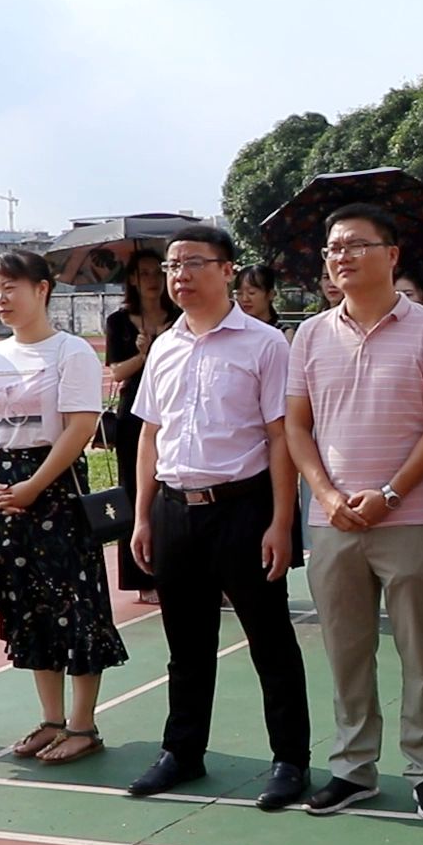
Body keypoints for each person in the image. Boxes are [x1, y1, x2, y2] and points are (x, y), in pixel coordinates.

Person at [286, 204, 423, 820]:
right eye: (334, 248)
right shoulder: (308, 335)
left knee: (420, 652)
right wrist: (330, 497)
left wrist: (388, 494)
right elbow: (297, 428)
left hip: (410, 518)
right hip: (331, 523)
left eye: (356, 245)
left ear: (391, 256)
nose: (341, 257)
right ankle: (353, 768)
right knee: (346, 651)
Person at [124, 225, 312, 811]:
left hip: (244, 510)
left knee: (269, 639)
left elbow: (280, 437)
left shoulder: (264, 345)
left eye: (193, 264)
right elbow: (150, 434)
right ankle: (182, 752)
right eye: (172, 266)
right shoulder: (164, 346)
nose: (178, 276)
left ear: (228, 270)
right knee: (187, 643)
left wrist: (282, 522)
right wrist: (142, 517)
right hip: (175, 510)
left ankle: (290, 760)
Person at [0, 250, 127, 765]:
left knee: (74, 604)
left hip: (55, 489)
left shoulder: (70, 352)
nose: (1, 298)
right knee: (29, 606)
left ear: (42, 290)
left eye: (11, 287)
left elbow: (80, 426)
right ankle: (51, 719)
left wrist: (35, 484)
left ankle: (83, 724)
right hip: (7, 494)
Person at [105, 251, 179, 605]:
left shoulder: (179, 317)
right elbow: (117, 372)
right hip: (133, 417)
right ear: (132, 279)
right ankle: (140, 576)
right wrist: (144, 355)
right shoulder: (119, 321)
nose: (151, 279)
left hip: (173, 413)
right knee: (134, 492)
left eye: (157, 272)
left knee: (171, 493)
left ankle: (174, 567)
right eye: (143, 273)